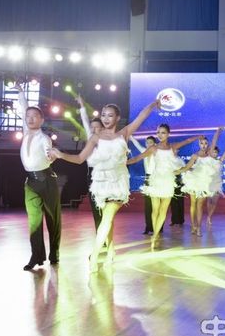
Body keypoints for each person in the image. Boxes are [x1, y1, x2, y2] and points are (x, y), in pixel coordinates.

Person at [50, 99, 161, 272]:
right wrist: (61, 155)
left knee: (107, 217)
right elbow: (79, 159)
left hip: (118, 183)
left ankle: (94, 256)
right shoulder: (95, 137)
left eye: (110, 115)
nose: (106, 118)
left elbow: (141, 116)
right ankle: (110, 251)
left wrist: (153, 104)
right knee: (106, 220)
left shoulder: (124, 133)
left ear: (117, 118)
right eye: (103, 115)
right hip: (101, 184)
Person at [16, 84, 61, 271]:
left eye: (34, 116)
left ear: (41, 120)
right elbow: (23, 107)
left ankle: (54, 253)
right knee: (34, 221)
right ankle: (36, 256)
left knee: (52, 219)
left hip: (47, 180)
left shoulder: (45, 139)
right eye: (28, 116)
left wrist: (51, 156)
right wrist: (21, 92)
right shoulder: (25, 132)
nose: (30, 119)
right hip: (31, 182)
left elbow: (48, 154)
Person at [138, 124, 201, 249]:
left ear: (168, 134)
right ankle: (155, 233)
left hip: (168, 181)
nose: (160, 135)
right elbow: (138, 157)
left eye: (163, 132)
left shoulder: (172, 147)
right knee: (155, 210)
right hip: (155, 180)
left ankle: (155, 235)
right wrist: (123, 162)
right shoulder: (153, 148)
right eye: (158, 132)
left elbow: (186, 141)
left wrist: (198, 137)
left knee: (163, 211)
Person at [177, 127, 222, 236]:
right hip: (194, 181)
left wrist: (218, 131)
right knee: (193, 204)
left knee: (200, 205)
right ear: (199, 144)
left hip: (204, 183)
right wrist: (175, 172)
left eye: (206, 143)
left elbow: (214, 141)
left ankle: (199, 228)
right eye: (202, 143)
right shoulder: (195, 156)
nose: (204, 145)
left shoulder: (210, 154)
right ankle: (193, 225)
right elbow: (187, 167)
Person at [76, 94, 104, 229]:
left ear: (102, 128)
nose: (93, 129)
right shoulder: (90, 138)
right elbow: (85, 121)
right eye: (92, 127)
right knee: (95, 205)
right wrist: (82, 105)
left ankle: (105, 230)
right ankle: (100, 232)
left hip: (104, 175)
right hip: (91, 175)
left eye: (96, 127)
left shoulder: (107, 141)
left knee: (104, 204)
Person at [126, 135, 159, 234]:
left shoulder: (157, 153)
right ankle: (148, 227)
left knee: (156, 206)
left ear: (154, 144)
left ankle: (157, 227)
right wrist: (130, 136)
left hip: (157, 179)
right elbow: (137, 144)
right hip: (147, 179)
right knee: (147, 205)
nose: (148, 144)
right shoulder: (144, 151)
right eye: (147, 143)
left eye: (150, 142)